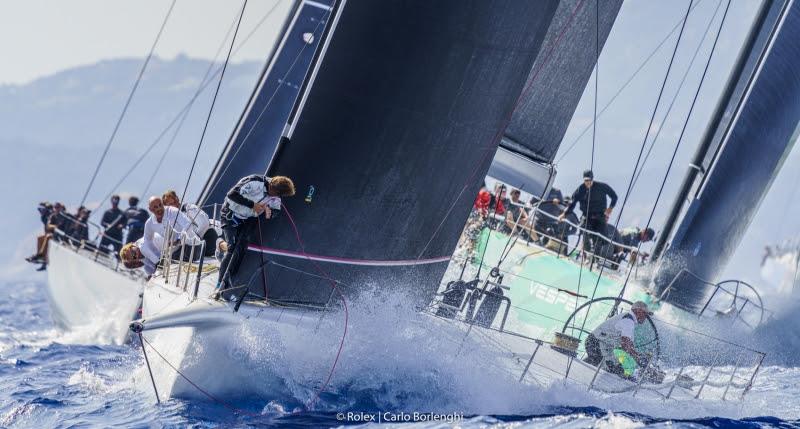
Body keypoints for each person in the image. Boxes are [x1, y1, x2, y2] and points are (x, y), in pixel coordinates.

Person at [215, 175, 296, 299]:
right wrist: (252, 205)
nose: (277, 198)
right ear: (272, 188)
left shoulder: (276, 196)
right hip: (230, 214)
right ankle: (219, 283)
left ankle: (228, 283)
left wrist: (270, 212)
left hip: (247, 220)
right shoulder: (255, 181)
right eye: (277, 194)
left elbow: (277, 211)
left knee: (241, 250)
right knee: (232, 248)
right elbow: (232, 194)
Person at [584, 301, 653, 378]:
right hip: (596, 343)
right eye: (645, 314)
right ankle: (580, 375)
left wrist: (638, 356)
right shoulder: (628, 321)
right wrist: (639, 359)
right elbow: (625, 345)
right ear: (638, 311)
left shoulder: (629, 320)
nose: (646, 317)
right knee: (609, 367)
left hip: (600, 344)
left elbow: (629, 344)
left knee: (618, 368)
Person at [559, 170, 617, 255]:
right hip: (586, 216)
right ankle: (586, 254)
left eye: (589, 180)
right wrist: (564, 214)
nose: (588, 182)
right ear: (583, 180)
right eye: (586, 180)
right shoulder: (580, 189)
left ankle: (594, 258)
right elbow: (572, 203)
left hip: (600, 216)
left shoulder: (602, 186)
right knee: (583, 230)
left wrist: (610, 208)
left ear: (592, 179)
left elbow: (614, 197)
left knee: (600, 238)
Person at [162, 190, 222, 258]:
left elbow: (204, 223)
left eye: (173, 202)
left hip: (212, 237)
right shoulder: (174, 220)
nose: (173, 205)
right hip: (197, 245)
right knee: (174, 255)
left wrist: (196, 241)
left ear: (177, 199)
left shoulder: (190, 208)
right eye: (169, 205)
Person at [145, 196, 202, 262]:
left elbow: (188, 224)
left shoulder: (173, 211)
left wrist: (179, 240)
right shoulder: (149, 223)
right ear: (150, 209)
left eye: (160, 205)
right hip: (174, 252)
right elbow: (148, 241)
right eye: (155, 207)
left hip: (192, 245)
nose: (159, 208)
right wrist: (158, 256)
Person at [26, 202, 66, 270]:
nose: (40, 211)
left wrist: (55, 227)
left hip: (60, 236)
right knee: (40, 238)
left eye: (42, 210)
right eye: (39, 210)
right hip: (52, 234)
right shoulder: (46, 217)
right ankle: (41, 257)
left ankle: (42, 257)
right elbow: (47, 227)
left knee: (47, 237)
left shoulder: (56, 215)